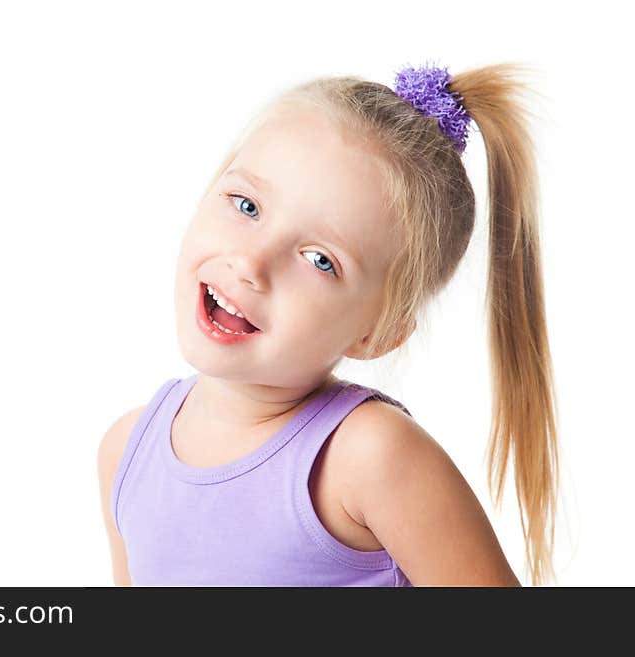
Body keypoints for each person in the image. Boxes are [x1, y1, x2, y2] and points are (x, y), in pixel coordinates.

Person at [98, 62, 559, 587]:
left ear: (377, 335)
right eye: (246, 205)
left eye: (320, 260)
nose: (252, 262)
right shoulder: (126, 452)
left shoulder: (368, 456)